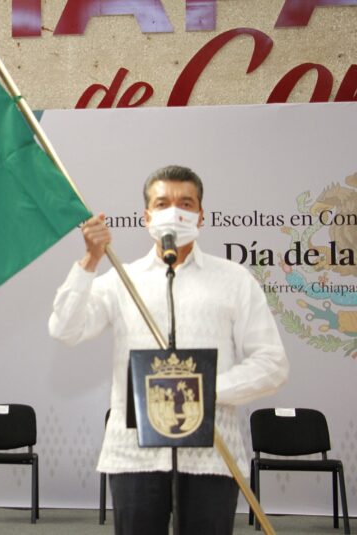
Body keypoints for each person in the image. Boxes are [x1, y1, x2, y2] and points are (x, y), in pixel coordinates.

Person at [48, 165, 289, 535]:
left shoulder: (234, 280)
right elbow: (65, 329)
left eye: (185, 203)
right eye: (162, 203)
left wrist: (201, 394)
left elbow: (272, 364)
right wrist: (90, 260)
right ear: (146, 217)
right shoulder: (121, 279)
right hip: (134, 456)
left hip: (211, 454)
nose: (173, 212)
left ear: (201, 216)